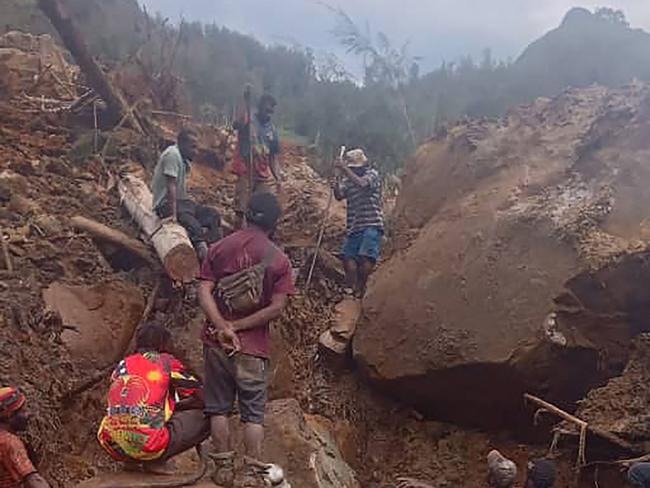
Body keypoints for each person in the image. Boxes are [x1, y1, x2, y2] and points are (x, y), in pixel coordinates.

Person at [198, 192, 295, 487]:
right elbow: (276, 308)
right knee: (253, 414)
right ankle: (252, 473)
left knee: (218, 407)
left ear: (245, 215)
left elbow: (203, 291)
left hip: (217, 342)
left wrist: (223, 327)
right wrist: (239, 327)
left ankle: (223, 469)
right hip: (253, 348)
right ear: (274, 224)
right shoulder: (279, 260)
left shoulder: (219, 247)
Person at [97, 323, 209, 474]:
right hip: (147, 444)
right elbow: (204, 398)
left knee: (139, 418)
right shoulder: (165, 362)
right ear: (163, 343)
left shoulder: (123, 364)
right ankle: (155, 461)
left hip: (112, 444)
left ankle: (131, 462)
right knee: (210, 414)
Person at [152, 128, 221, 260]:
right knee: (193, 225)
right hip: (165, 205)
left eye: (196, 148)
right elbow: (171, 186)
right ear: (182, 144)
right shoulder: (172, 155)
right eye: (192, 147)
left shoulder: (183, 159)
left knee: (213, 215)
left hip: (180, 203)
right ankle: (204, 257)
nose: (195, 152)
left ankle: (213, 248)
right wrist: (173, 215)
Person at [333, 148, 384, 298]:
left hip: (371, 223)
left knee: (366, 258)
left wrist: (344, 169)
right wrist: (336, 182)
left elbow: (362, 184)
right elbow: (339, 196)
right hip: (354, 226)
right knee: (348, 257)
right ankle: (352, 287)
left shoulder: (372, 175)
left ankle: (361, 287)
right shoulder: (348, 181)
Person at [232, 90, 281, 227]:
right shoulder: (249, 121)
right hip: (246, 172)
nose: (269, 111)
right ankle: (238, 237)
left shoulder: (272, 131)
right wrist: (245, 101)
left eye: (272, 109)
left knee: (268, 207)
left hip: (262, 176)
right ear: (260, 107)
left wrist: (278, 178)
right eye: (267, 108)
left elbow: (273, 157)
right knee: (241, 211)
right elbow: (237, 123)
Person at [0, 387, 51, 488]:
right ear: (9, 415)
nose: (27, 414)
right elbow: (34, 480)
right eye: (22, 411)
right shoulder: (9, 443)